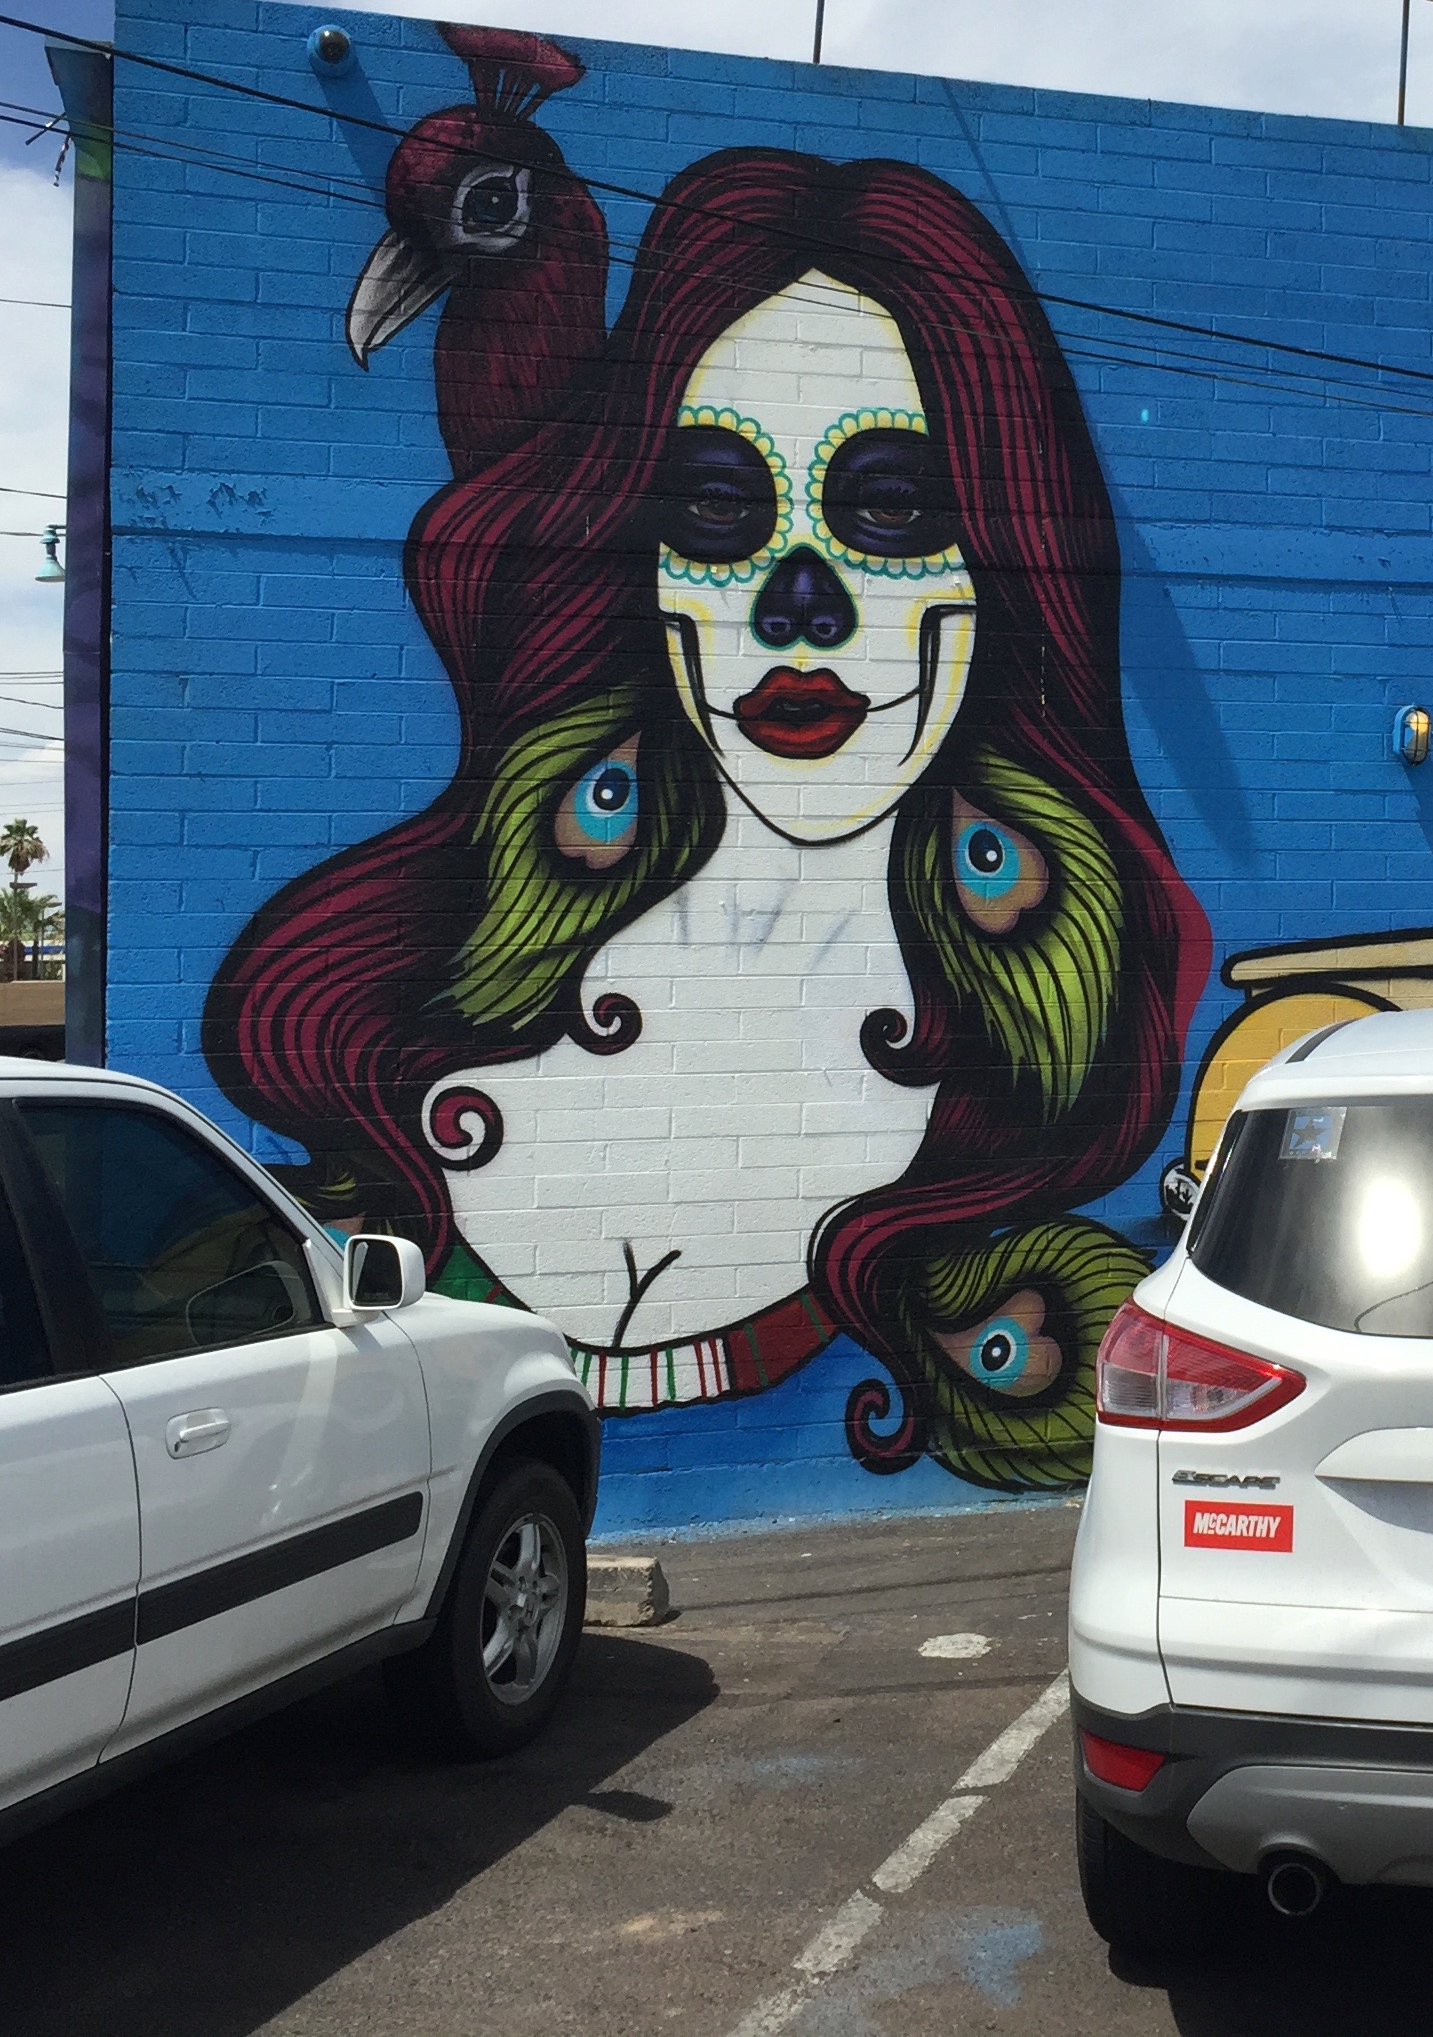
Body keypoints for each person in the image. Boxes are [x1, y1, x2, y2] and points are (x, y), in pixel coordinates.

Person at [208, 133, 1207, 1491]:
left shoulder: (988, 1104)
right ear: (653, 561)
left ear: (999, 570)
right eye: (723, 508)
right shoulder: (467, 983)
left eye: (891, 509)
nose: (803, 603)